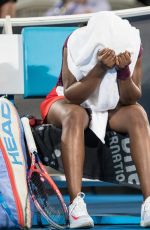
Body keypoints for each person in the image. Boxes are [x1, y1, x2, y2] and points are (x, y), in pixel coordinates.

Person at [40, 11, 150, 229]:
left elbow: (130, 98)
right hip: (66, 101)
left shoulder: (131, 44)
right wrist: (99, 69)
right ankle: (76, 206)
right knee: (76, 114)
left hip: (110, 106)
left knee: (138, 114)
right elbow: (72, 95)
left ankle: (148, 201)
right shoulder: (73, 42)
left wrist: (123, 72)